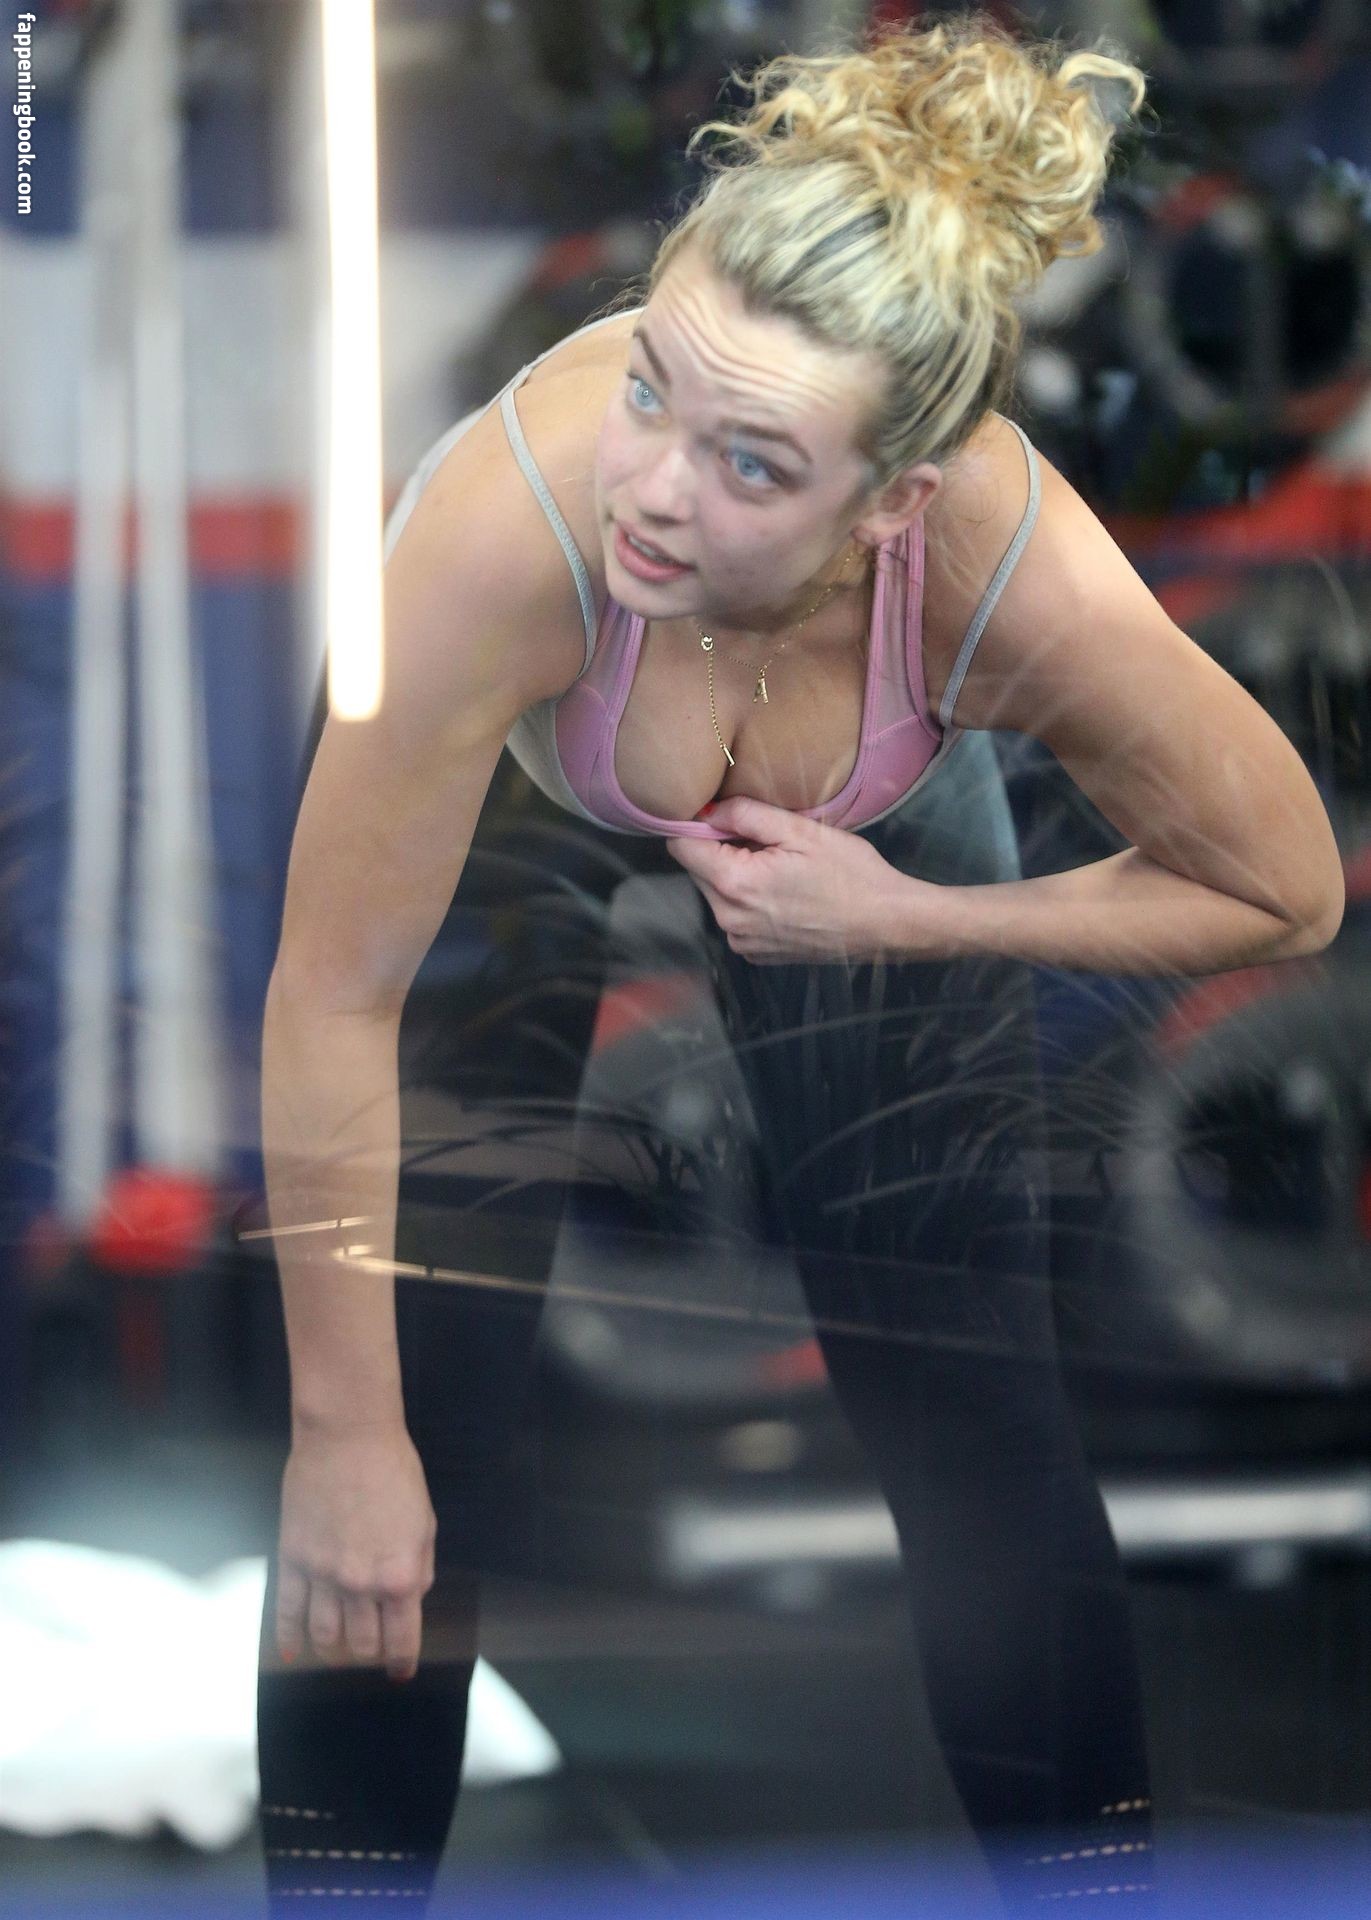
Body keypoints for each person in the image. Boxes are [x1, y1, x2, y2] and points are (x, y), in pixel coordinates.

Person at [252, 13, 1345, 1916]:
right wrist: (340, 1440)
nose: (657, 487)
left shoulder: (1004, 568)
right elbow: (331, 997)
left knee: (975, 1401)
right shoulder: (510, 541)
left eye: (752, 461)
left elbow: (1283, 889)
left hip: (868, 816)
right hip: (522, 772)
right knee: (414, 1422)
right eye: (653, 389)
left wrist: (907, 916)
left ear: (891, 504)